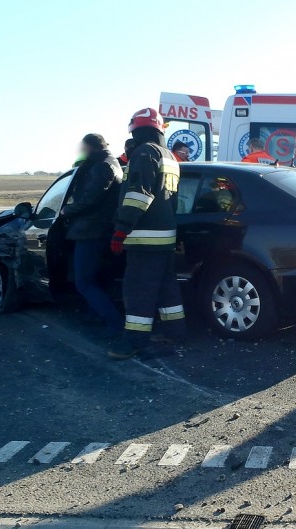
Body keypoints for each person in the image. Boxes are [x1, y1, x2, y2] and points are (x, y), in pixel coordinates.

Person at [108, 108, 185, 360]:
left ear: (136, 130)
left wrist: (121, 229)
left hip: (144, 238)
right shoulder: (170, 157)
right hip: (165, 238)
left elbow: (139, 195)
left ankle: (133, 341)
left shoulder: (144, 153)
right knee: (166, 289)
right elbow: (171, 200)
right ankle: (175, 331)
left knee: (138, 292)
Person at [59, 133, 124, 336]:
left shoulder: (102, 165)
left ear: (89, 147)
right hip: (102, 230)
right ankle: (94, 316)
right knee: (97, 279)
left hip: (91, 231)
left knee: (84, 282)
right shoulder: (111, 162)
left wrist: (66, 211)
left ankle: (114, 322)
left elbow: (90, 199)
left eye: (83, 147)